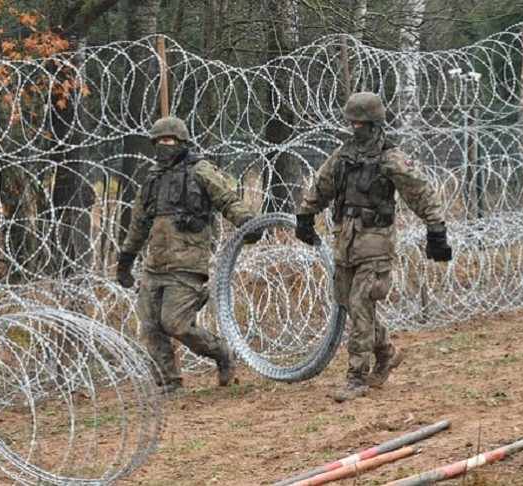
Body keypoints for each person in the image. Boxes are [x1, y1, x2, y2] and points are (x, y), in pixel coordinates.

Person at [294, 92, 452, 403]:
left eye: (362, 123)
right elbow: (321, 186)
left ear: (375, 123)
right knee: (351, 305)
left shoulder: (390, 158)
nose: (356, 128)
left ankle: (357, 378)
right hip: (345, 242)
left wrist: (436, 231)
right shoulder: (343, 156)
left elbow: (421, 193)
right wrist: (305, 215)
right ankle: (387, 353)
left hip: (376, 243)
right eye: (352, 122)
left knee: (361, 303)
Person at [116, 115, 263, 395]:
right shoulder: (152, 180)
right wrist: (126, 258)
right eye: (158, 142)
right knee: (151, 327)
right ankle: (169, 383)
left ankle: (221, 352)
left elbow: (226, 198)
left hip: (187, 263)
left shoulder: (199, 171)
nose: (163, 146)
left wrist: (245, 221)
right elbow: (138, 223)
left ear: (181, 142)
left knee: (175, 323)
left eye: (168, 141)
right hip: (154, 265)